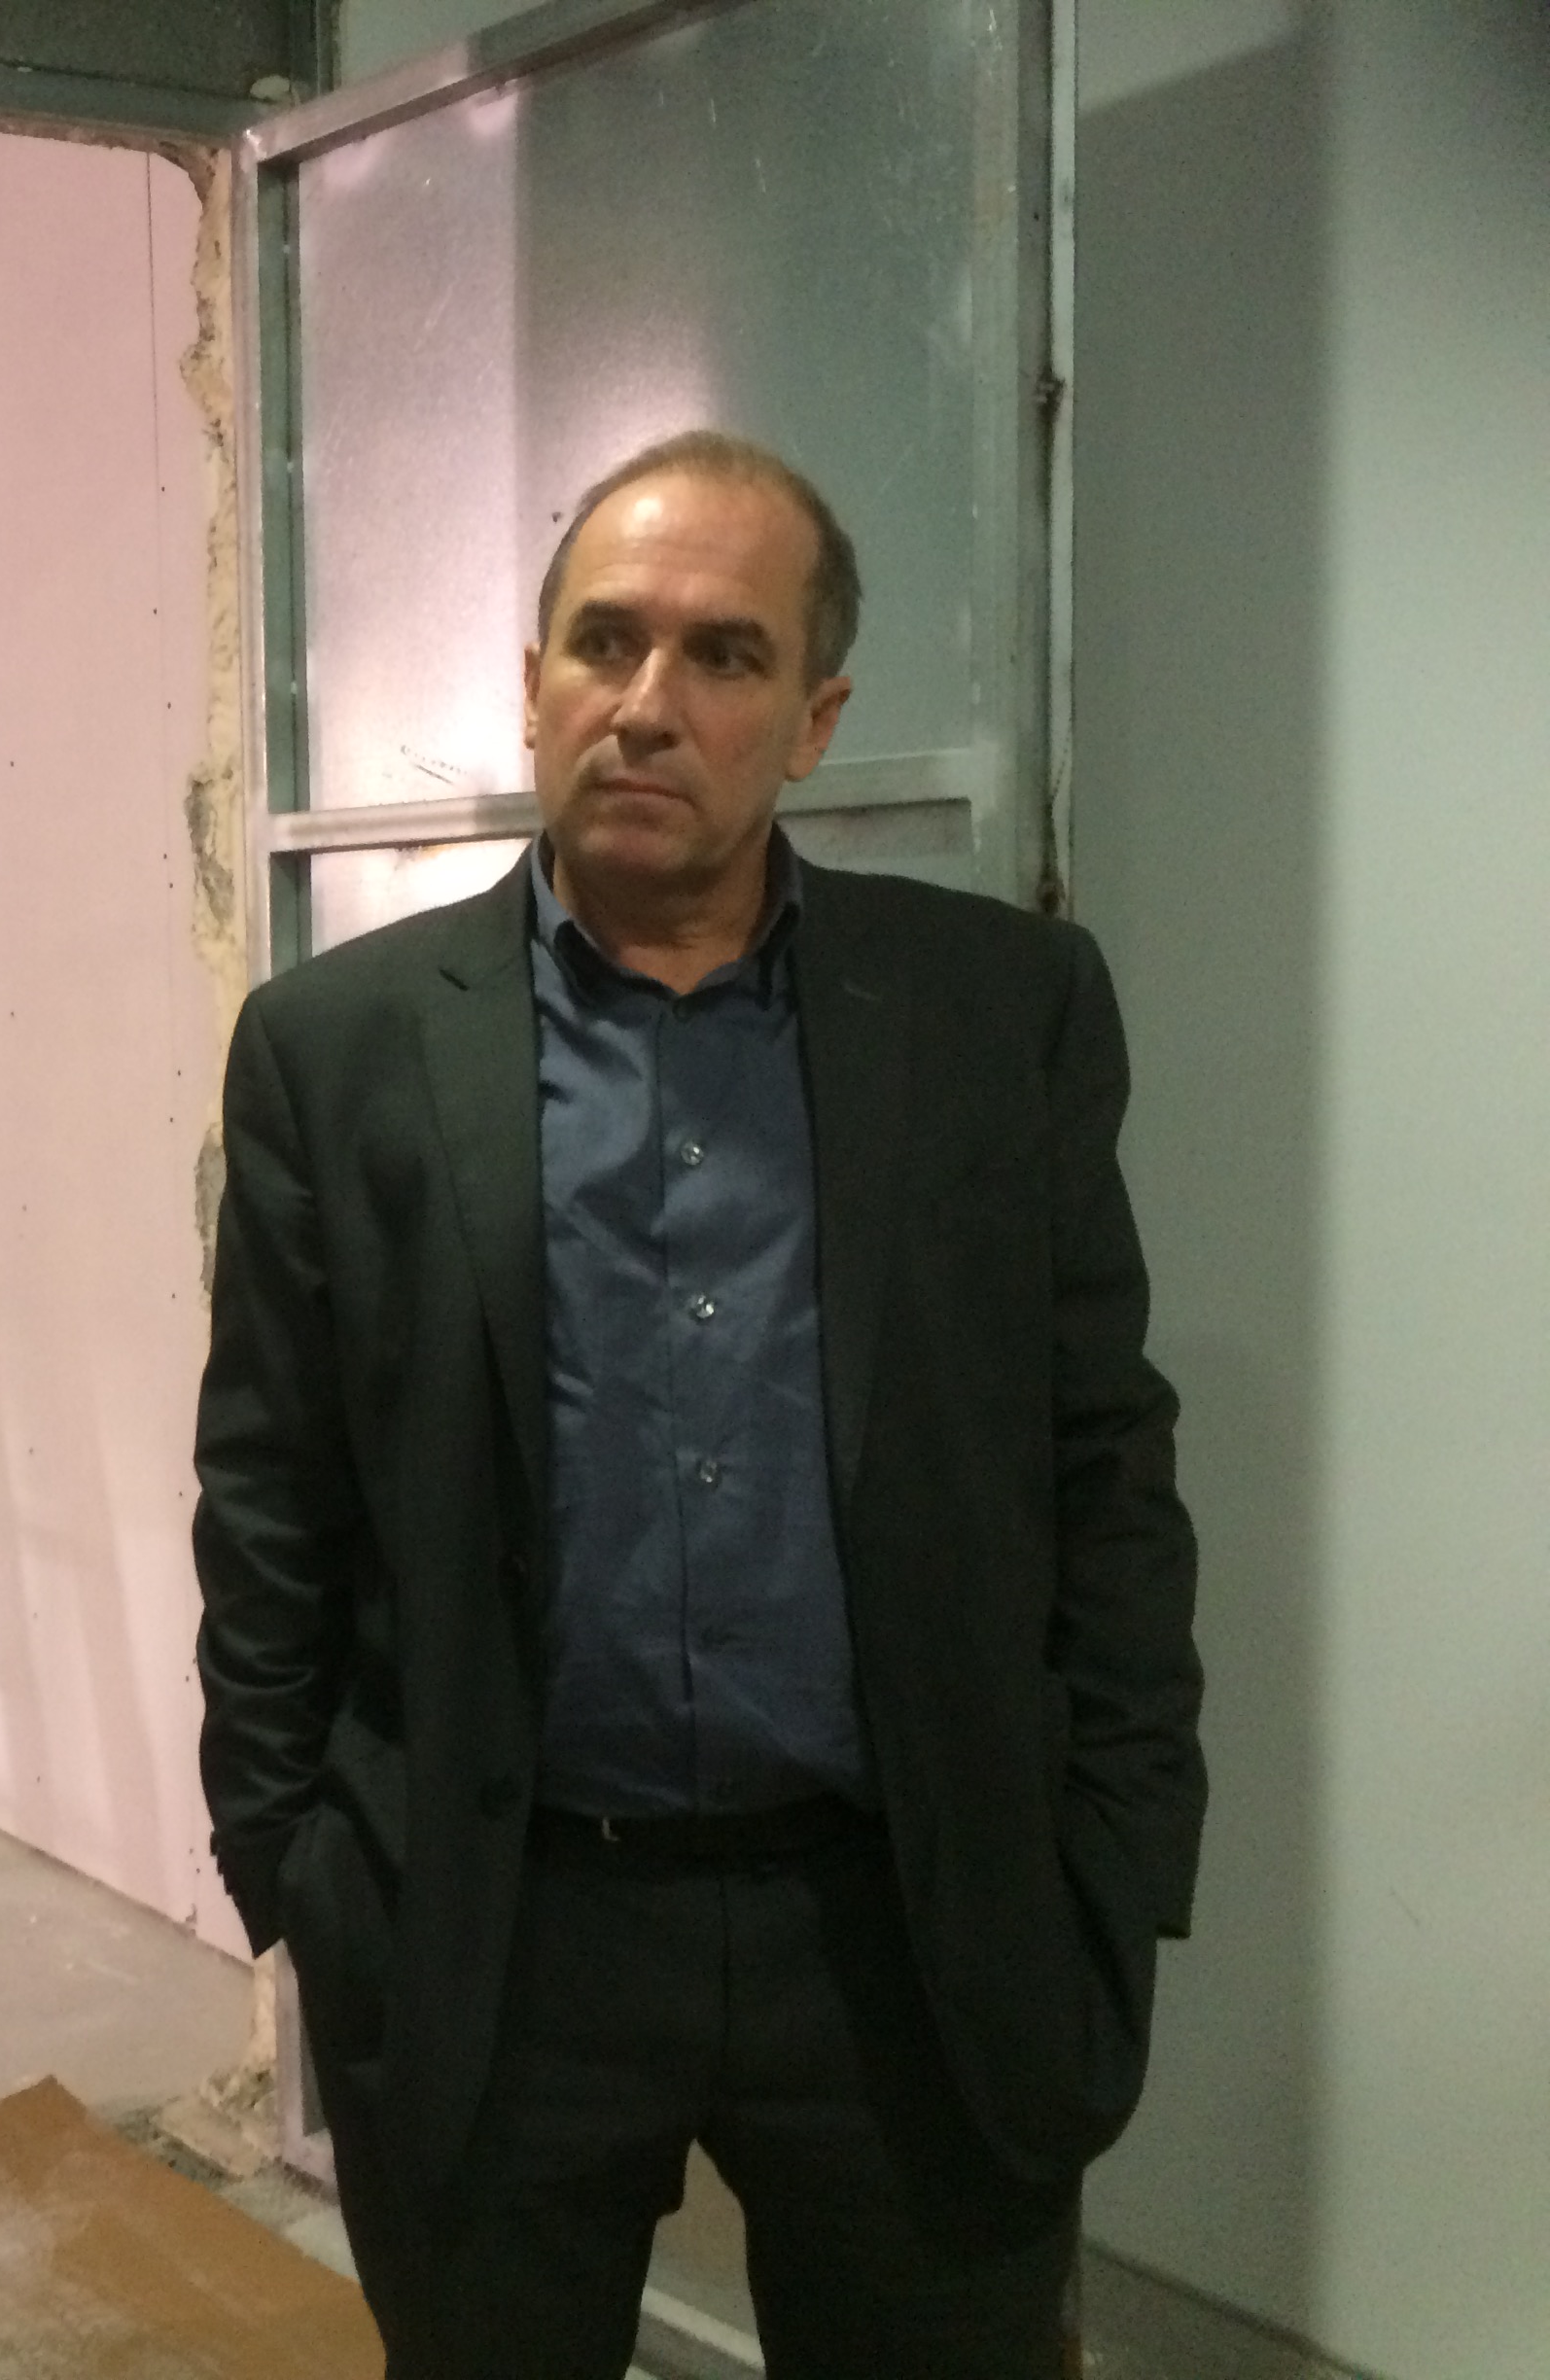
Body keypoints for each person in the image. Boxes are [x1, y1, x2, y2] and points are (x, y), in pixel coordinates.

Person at [191, 430, 1203, 2378]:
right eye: (607, 641)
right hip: (501, 1932)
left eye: (726, 655)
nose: (648, 704)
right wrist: (297, 1869)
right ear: (534, 685)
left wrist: (1119, 1859)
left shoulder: (1000, 1015)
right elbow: (269, 1498)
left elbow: (1105, 1463)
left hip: (904, 1928)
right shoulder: (339, 1048)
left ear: (815, 719)